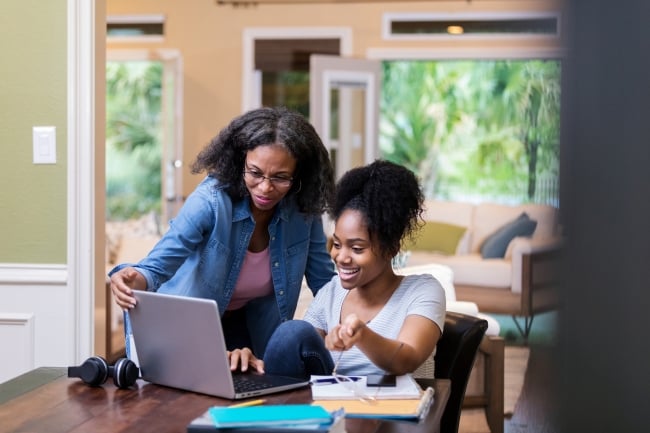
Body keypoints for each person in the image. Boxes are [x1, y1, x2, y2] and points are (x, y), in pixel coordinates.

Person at [109, 106, 336, 363]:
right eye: (255, 172)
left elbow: (325, 284)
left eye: (281, 177)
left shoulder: (303, 211)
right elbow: (156, 267)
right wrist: (133, 280)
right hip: (190, 327)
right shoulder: (210, 201)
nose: (265, 187)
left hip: (251, 330)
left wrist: (363, 319)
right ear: (240, 162)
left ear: (299, 176)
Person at [240, 159, 446, 378]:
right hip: (336, 406)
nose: (341, 257)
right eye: (337, 244)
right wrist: (254, 362)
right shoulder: (332, 292)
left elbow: (408, 359)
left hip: (398, 408)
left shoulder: (422, 290)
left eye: (357, 248)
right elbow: (294, 346)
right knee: (291, 332)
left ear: (391, 249)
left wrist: (362, 335)